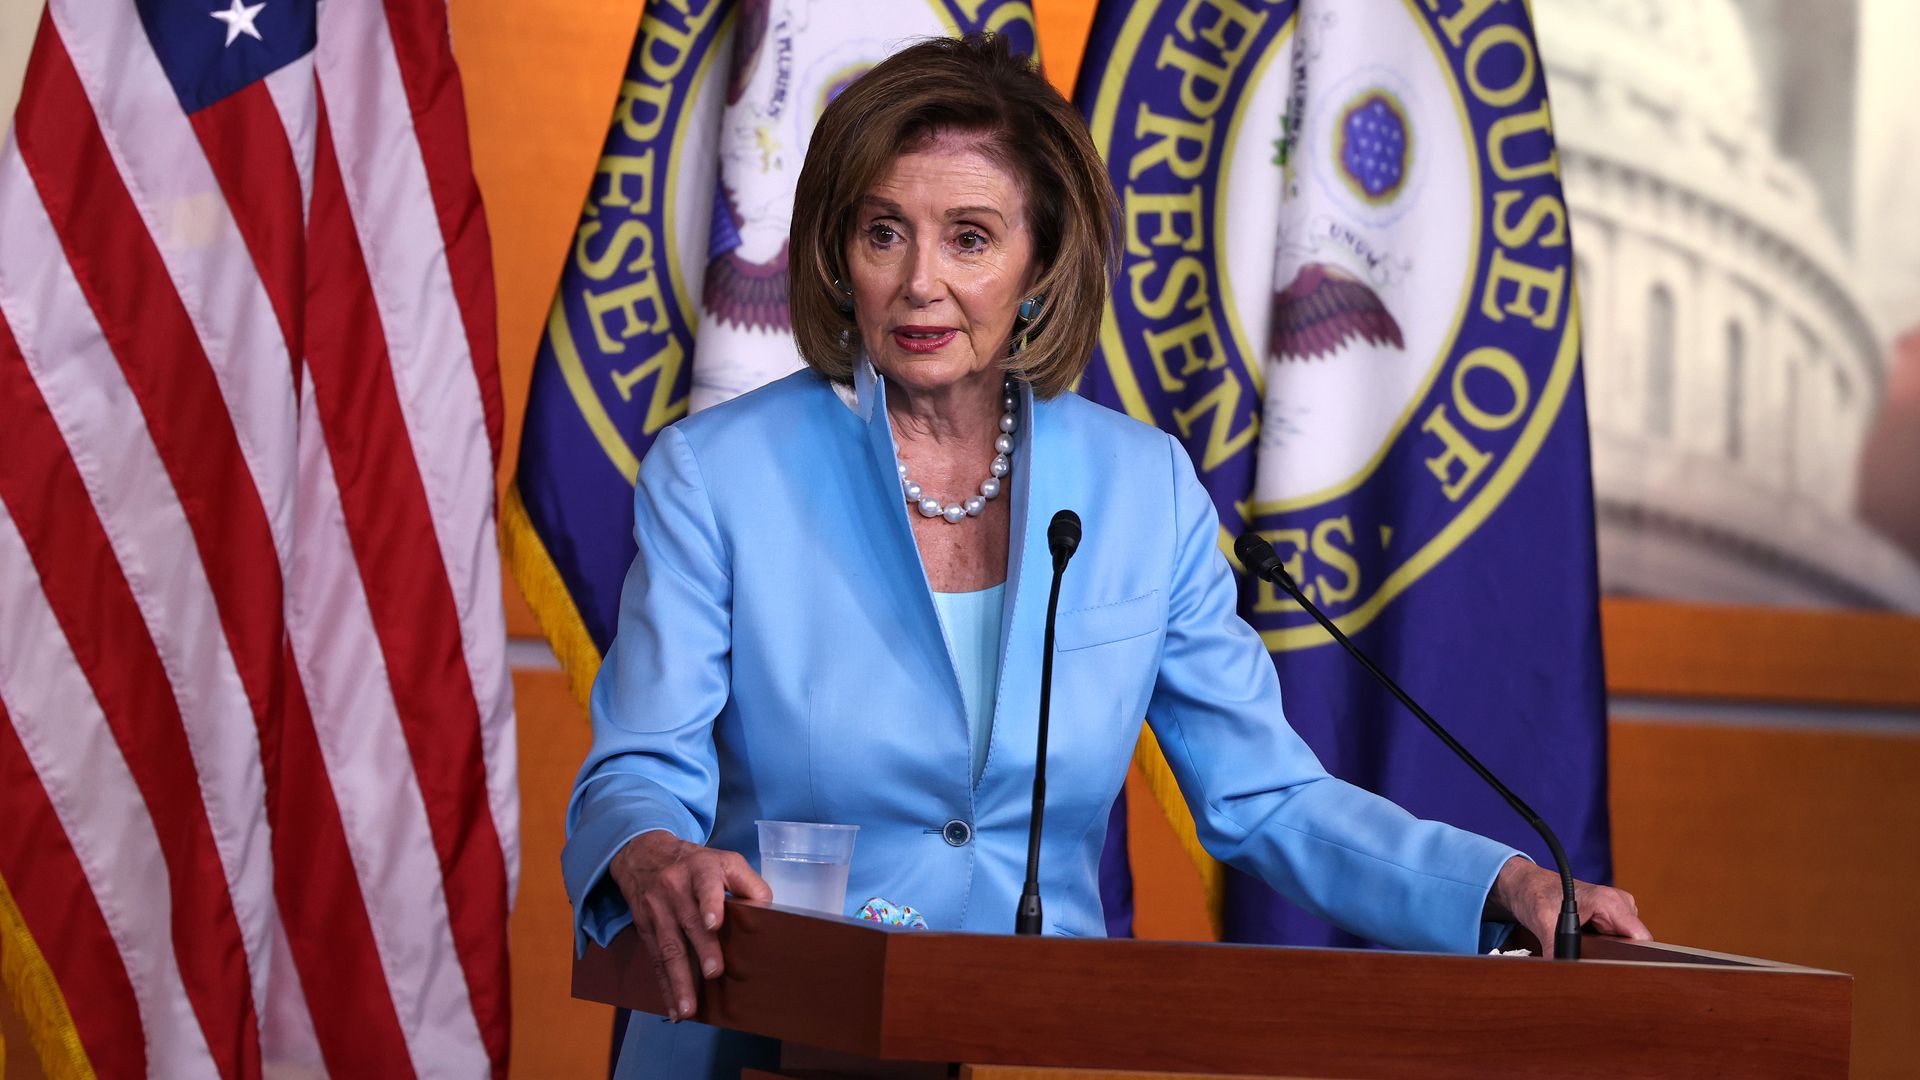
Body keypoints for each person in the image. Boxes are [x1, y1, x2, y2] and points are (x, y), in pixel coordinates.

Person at [563, 33, 1649, 1079]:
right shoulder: (721, 477)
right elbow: (638, 766)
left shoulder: (1141, 489)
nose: (920, 281)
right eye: (883, 231)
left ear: (1042, 261)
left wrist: (1497, 883)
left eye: (971, 238)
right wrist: (654, 853)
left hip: (1031, 1048)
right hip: (766, 1043)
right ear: (838, 254)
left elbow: (1265, 796)